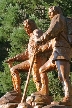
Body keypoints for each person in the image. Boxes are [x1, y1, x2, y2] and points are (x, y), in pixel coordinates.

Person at [35, 6, 72, 105]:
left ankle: (68, 98)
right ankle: (44, 91)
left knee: (63, 76)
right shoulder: (60, 27)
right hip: (55, 53)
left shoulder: (58, 18)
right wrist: (39, 49)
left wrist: (40, 39)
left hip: (62, 51)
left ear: (56, 11)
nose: (49, 14)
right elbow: (50, 43)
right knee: (42, 69)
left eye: (50, 12)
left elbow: (51, 31)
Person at [6, 19, 53, 95]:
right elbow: (27, 54)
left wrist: (38, 46)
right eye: (25, 27)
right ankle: (17, 91)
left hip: (37, 59)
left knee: (37, 78)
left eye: (27, 26)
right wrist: (14, 58)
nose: (26, 29)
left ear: (31, 26)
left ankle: (43, 94)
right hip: (31, 59)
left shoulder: (36, 32)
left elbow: (40, 41)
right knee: (14, 69)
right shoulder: (31, 36)